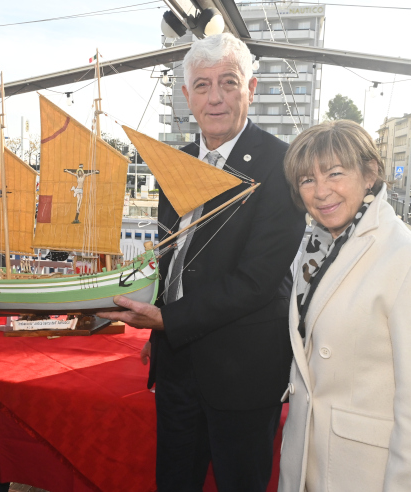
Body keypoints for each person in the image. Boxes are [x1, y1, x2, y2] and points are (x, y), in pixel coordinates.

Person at [99, 33, 304, 491]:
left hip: (243, 371)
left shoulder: (281, 164)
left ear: (250, 89)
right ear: (187, 95)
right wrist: (159, 320)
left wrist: (169, 318)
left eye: (228, 83)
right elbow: (173, 254)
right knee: (174, 481)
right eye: (203, 85)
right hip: (175, 363)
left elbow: (257, 279)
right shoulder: (178, 161)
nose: (215, 98)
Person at [278, 120, 411, 492]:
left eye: (335, 173)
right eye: (306, 180)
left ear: (370, 174)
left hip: (368, 475)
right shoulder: (316, 253)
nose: (321, 192)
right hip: (308, 465)